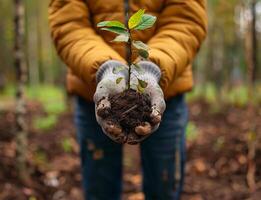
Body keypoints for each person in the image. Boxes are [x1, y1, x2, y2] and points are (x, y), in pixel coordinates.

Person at [48, 0, 207, 199]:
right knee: (99, 189)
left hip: (166, 88)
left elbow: (186, 21)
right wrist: (105, 68)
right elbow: (68, 24)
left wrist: (151, 68)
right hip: (94, 92)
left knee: (164, 187)